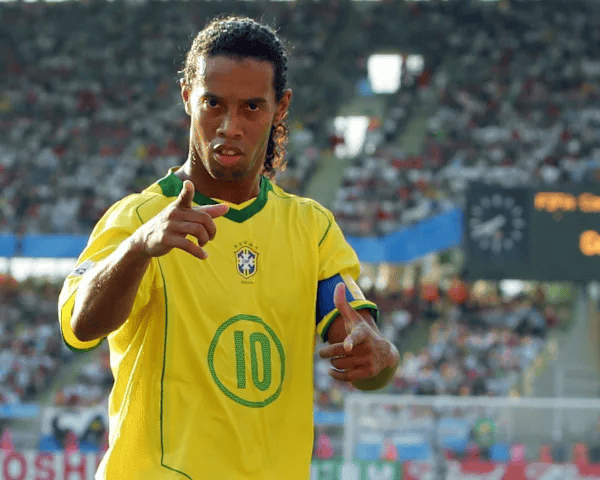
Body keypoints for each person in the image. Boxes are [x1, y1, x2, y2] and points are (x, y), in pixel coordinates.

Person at [57, 16, 399, 479]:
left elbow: (359, 344)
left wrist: (381, 357)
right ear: (187, 97)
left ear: (281, 107)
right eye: (213, 104)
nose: (229, 126)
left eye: (251, 107)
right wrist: (138, 250)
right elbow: (80, 328)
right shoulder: (138, 219)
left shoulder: (311, 228)